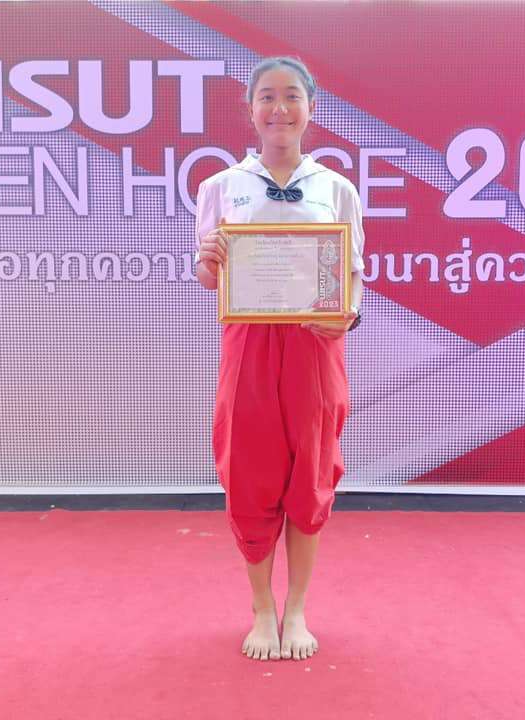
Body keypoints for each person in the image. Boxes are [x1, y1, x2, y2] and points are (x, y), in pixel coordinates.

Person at [194, 57, 365, 662]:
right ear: (250, 109)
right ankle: (262, 608)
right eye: (267, 96)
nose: (279, 108)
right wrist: (209, 259)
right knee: (250, 470)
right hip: (249, 344)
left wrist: (347, 315)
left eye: (291, 96)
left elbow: (352, 273)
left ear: (311, 108)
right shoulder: (220, 187)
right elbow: (208, 276)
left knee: (310, 472)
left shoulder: (336, 188)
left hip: (315, 345)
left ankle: (297, 609)